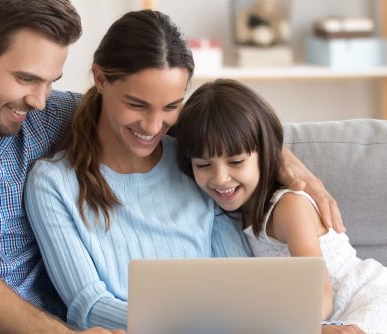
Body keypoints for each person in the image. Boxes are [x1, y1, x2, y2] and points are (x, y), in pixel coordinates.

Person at [0, 0, 341, 332]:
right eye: (26, 78)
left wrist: (281, 159)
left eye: (51, 80)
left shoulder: (38, 114)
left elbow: (157, 113)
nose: (40, 99)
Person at [24, 10, 351, 332]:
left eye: (170, 107)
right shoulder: (54, 183)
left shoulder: (196, 163)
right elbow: (90, 306)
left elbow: (240, 280)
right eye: (136, 104)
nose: (152, 127)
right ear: (99, 78)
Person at [173, 79, 387, 334]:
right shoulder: (231, 215)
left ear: (266, 155)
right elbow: (164, 123)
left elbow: (319, 293)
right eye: (203, 165)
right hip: (328, 321)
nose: (220, 178)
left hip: (372, 303)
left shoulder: (289, 206)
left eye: (236, 162)